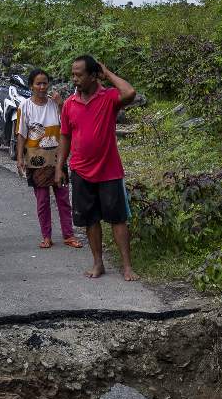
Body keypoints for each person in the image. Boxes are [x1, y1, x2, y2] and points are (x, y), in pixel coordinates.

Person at [56, 54, 138, 280]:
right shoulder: (69, 104)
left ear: (93, 76)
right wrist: (60, 166)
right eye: (73, 74)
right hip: (81, 171)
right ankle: (98, 263)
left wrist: (108, 72)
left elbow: (130, 93)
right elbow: (65, 136)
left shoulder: (109, 98)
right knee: (90, 219)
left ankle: (127, 266)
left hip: (109, 171)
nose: (75, 79)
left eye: (80, 75)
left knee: (117, 218)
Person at [15, 70, 79, 250]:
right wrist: (20, 157)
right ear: (31, 86)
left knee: (63, 198)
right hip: (36, 159)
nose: (42, 87)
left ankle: (69, 234)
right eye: (38, 84)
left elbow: (68, 125)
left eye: (45, 83)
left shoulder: (55, 104)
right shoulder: (24, 106)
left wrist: (61, 105)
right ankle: (46, 236)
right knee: (42, 200)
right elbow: (21, 134)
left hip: (57, 158)